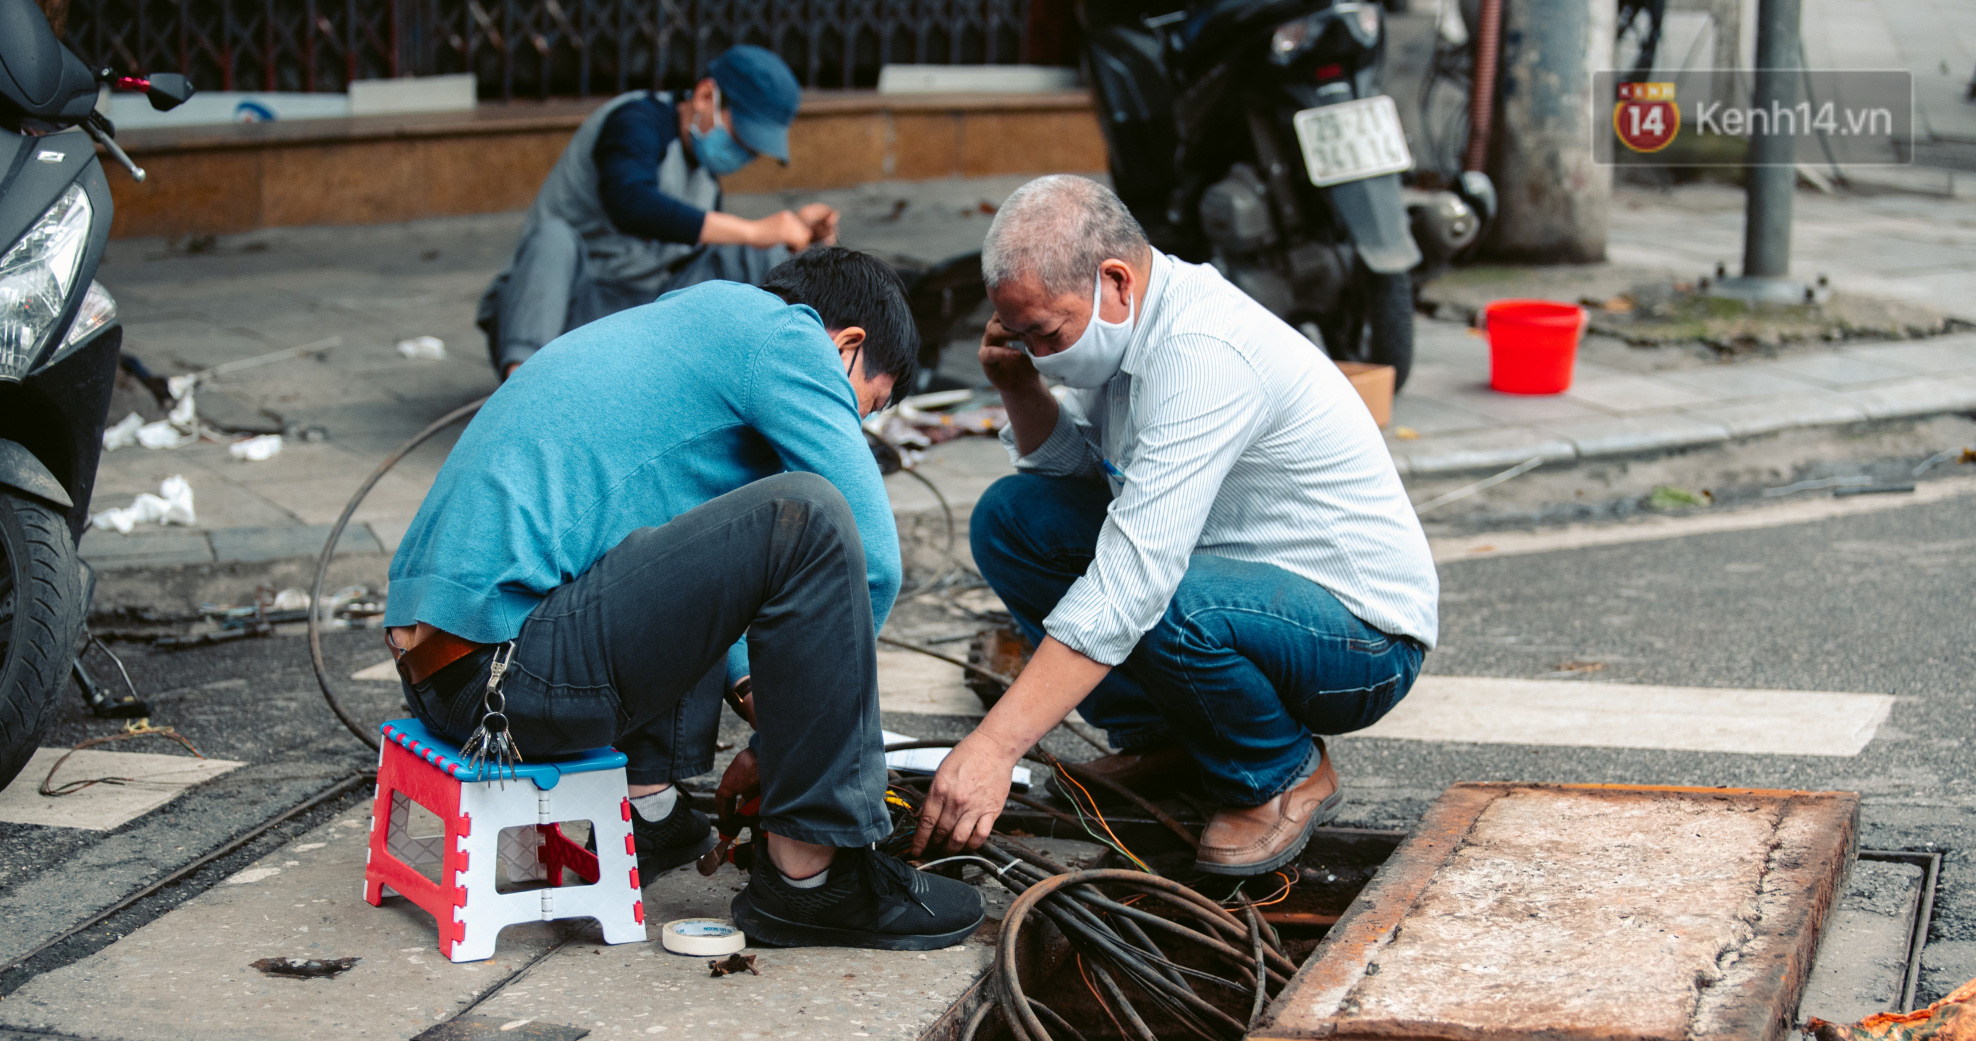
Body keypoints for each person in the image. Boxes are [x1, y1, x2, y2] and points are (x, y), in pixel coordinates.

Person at [388, 248, 983, 950]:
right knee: (815, 515)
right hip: (507, 683)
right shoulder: (787, 338)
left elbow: (679, 549)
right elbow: (874, 563)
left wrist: (754, 687)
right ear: (847, 346)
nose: (851, 424)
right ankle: (810, 879)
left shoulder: (697, 325)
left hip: (451, 672)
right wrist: (795, 740)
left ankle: (650, 808)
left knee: (715, 519)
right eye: (865, 406)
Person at [914, 175, 1438, 877]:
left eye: (1045, 333)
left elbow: (1133, 581)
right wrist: (1020, 387)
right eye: (1021, 336)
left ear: (1115, 281)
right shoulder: (1123, 330)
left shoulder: (1201, 353)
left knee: (1161, 602)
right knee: (1014, 520)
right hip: (1229, 588)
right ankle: (1163, 738)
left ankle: (1280, 772)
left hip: (1359, 638)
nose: (1038, 351)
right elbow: (1083, 485)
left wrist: (993, 747)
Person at [477, 45, 843, 378]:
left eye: (752, 150)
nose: (744, 155)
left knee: (755, 254)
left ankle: (794, 383)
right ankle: (522, 388)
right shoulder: (636, 120)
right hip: (562, 310)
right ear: (705, 95)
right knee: (551, 239)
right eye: (740, 139)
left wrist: (797, 242)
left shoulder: (706, 182)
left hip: (631, 323)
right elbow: (631, 203)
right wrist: (753, 230)